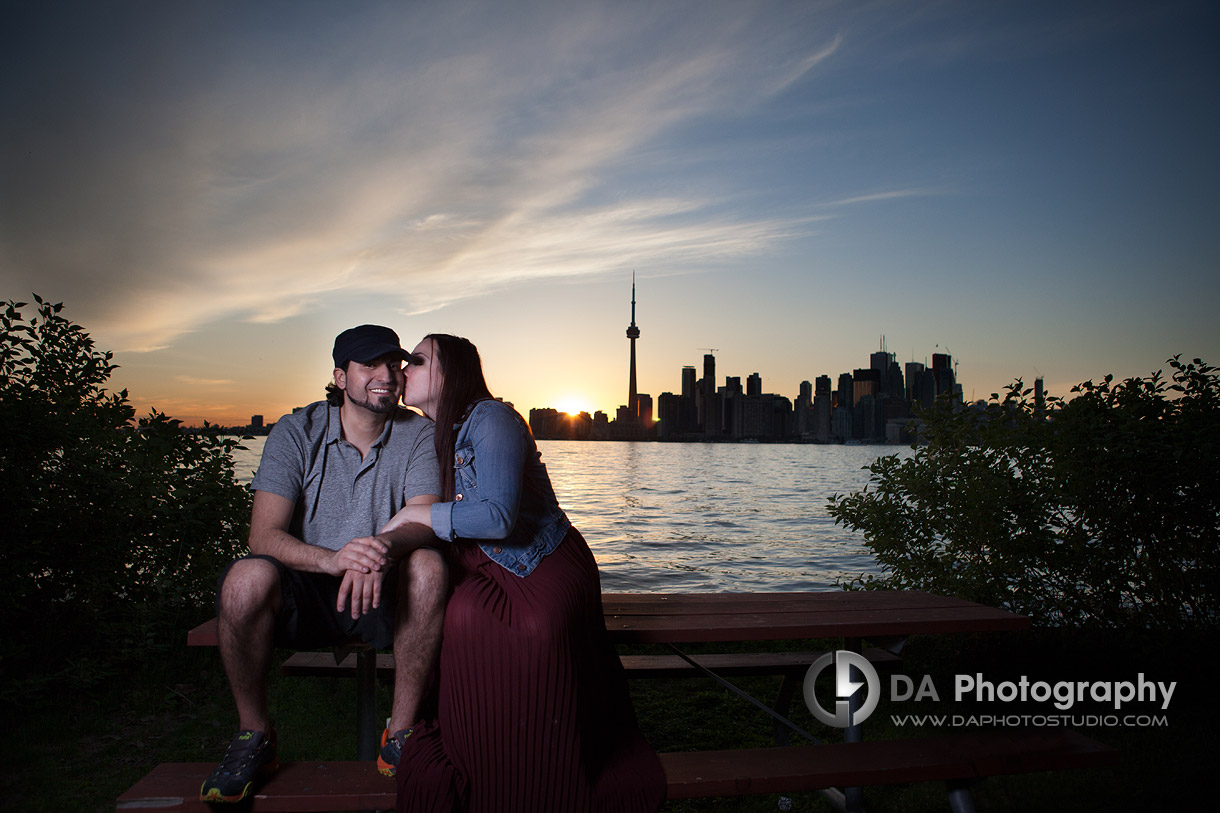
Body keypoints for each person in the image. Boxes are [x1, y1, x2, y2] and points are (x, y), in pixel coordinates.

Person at [384, 333, 666, 813]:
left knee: (496, 626)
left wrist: (419, 519)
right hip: (487, 568)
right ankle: (484, 760)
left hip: (537, 566)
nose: (403, 369)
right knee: (461, 616)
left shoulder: (491, 418)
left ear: (449, 373)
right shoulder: (432, 433)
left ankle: (539, 775)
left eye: (417, 360)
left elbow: (496, 518)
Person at [201, 325, 446, 804]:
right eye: (369, 365)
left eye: (394, 365)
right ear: (340, 376)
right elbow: (263, 535)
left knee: (430, 567)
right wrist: (333, 559)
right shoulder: (296, 430)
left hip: (381, 582)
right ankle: (255, 736)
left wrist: (377, 548)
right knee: (244, 579)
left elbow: (426, 517)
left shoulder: (420, 433)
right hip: (310, 586)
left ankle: (398, 735)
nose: (387, 376)